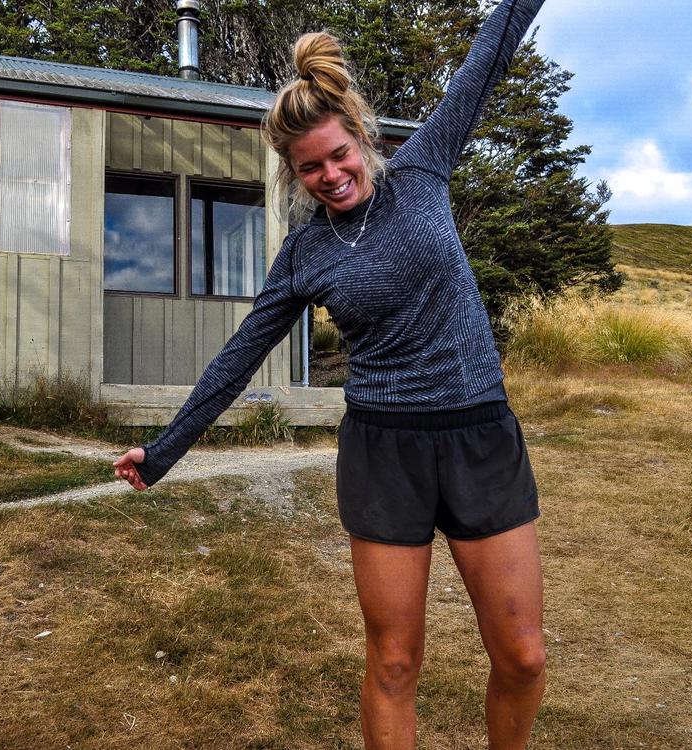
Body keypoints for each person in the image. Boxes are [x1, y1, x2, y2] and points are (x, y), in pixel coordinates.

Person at [114, 1, 547, 747]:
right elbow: (239, 357)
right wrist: (162, 452)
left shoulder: (424, 170)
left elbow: (492, 49)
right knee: (394, 662)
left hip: (479, 435)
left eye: (339, 155)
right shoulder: (305, 254)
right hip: (384, 454)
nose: (331, 176)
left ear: (362, 137)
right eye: (310, 167)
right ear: (293, 173)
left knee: (524, 657)